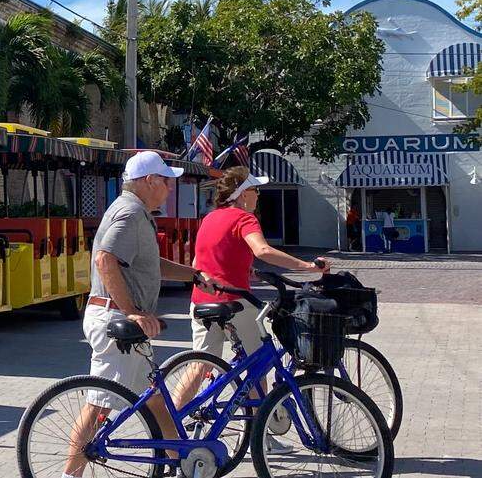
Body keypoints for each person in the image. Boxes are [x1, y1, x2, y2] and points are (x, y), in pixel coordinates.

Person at [61, 151, 218, 478]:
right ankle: (69, 475)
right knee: (100, 403)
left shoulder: (136, 212)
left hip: (126, 325)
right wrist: (131, 312)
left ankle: (183, 463)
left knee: (155, 400)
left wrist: (193, 274)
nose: (170, 189)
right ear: (149, 181)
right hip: (116, 322)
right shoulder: (130, 213)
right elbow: (105, 259)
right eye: (166, 181)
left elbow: (150, 265)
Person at [171, 166, 330, 450]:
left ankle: (169, 427)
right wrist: (307, 266)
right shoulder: (244, 218)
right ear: (243, 194)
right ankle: (261, 435)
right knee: (259, 363)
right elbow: (263, 250)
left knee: (199, 365)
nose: (258, 195)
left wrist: (246, 269)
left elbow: (200, 261)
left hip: (202, 301)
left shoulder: (209, 218)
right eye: (256, 190)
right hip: (235, 303)